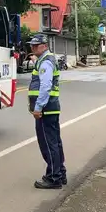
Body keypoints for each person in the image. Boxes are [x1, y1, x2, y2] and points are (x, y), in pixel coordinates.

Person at [27, 33, 67, 189]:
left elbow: (45, 86)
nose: (32, 48)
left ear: (44, 46)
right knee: (55, 143)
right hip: (51, 108)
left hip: (45, 109)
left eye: (36, 46)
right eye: (32, 45)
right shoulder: (46, 60)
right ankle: (60, 173)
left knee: (48, 145)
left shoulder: (45, 63)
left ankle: (53, 178)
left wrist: (38, 107)